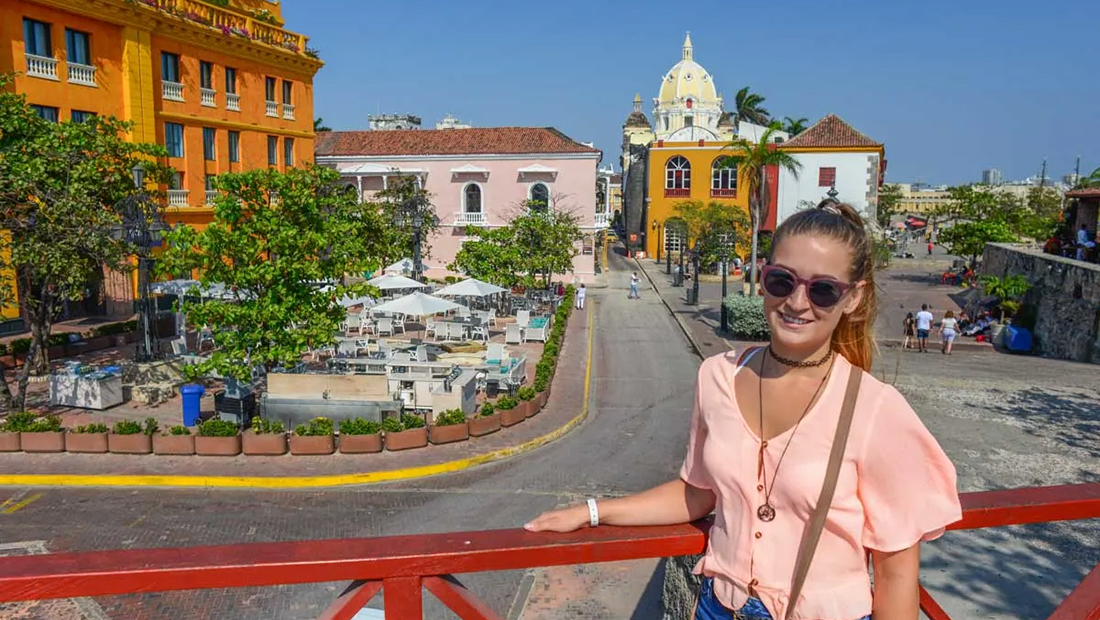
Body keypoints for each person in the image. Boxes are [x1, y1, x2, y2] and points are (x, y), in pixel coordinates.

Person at [526, 200, 961, 620]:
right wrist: (592, 511)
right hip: (719, 608)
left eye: (823, 290)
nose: (796, 302)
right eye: (781, 281)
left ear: (852, 298)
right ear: (762, 276)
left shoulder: (876, 410)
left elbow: (896, 571)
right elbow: (697, 493)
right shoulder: (717, 376)